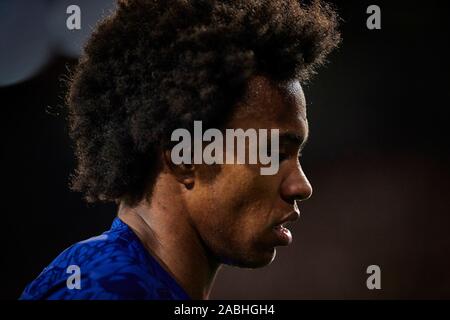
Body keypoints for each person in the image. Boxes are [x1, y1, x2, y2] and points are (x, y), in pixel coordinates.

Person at [20, 0, 340, 300]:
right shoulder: (102, 290)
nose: (302, 186)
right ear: (184, 159)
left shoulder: (129, 279)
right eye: (273, 153)